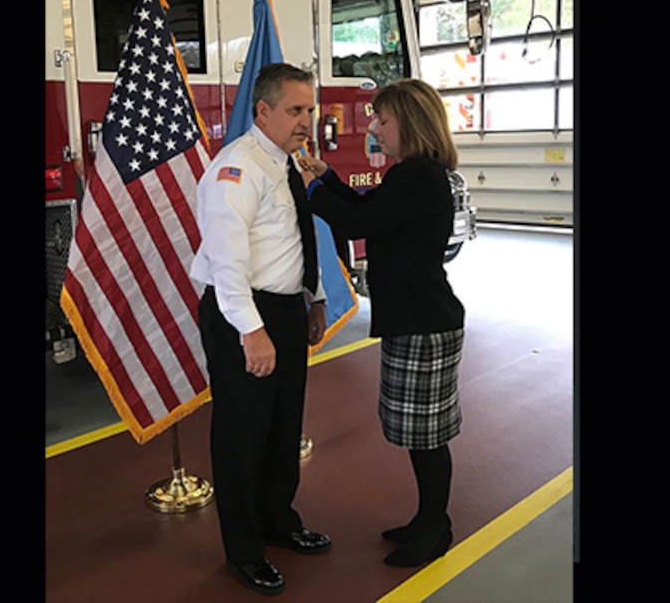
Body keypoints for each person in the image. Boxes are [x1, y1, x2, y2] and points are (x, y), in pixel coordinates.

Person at [296, 78, 465, 568]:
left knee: (426, 436)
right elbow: (369, 209)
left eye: (382, 119)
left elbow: (355, 224)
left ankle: (436, 527)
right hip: (417, 317)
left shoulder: (418, 179)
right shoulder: (409, 175)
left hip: (423, 321)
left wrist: (310, 190)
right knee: (418, 433)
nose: (373, 127)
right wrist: (327, 179)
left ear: (409, 124)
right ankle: (427, 517)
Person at [190, 63, 332, 596]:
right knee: (242, 436)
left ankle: (278, 521)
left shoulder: (285, 162)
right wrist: (252, 331)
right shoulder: (238, 167)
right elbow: (228, 261)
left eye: (310, 109)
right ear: (263, 111)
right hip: (243, 316)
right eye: (296, 110)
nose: (306, 120)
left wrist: (313, 298)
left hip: (286, 310)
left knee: (281, 428)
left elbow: (296, 238)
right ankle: (245, 550)